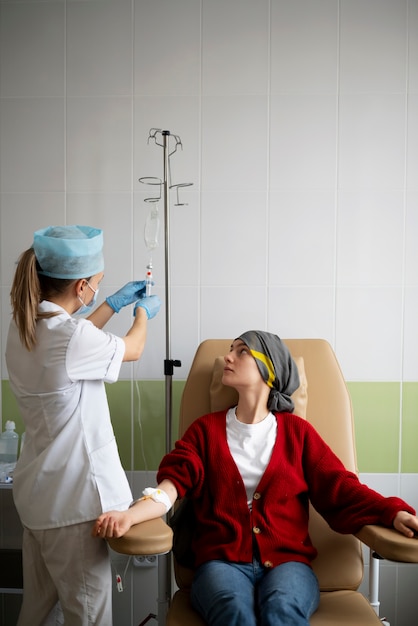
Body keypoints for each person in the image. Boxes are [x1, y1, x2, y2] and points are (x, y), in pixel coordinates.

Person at [93, 330, 418, 626]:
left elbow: (342, 489)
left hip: (289, 564)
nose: (228, 357)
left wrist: (394, 512)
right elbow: (169, 489)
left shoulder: (298, 434)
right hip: (219, 563)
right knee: (235, 612)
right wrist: (129, 514)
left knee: (281, 610)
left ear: (269, 369)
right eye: (231, 349)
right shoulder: (205, 431)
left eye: (241, 351)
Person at [6, 224, 161, 626]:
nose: (97, 290)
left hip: (39, 501)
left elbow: (77, 339)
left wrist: (110, 303)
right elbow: (134, 347)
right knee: (87, 617)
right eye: (96, 284)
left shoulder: (24, 328)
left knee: (38, 614)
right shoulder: (68, 338)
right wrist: (142, 311)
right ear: (80, 288)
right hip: (73, 507)